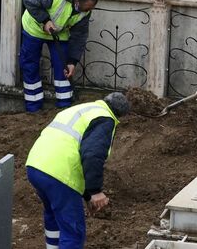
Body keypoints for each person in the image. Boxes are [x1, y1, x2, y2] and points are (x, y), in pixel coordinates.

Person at [26, 92, 130, 249]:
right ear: (119, 115)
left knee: (53, 215)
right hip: (59, 174)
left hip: (36, 166)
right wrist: (95, 191)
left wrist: (87, 196)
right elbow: (92, 155)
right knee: (73, 231)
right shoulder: (105, 119)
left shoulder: (84, 109)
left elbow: (72, 147)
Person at [20, 0, 99, 112]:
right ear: (77, 1)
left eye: (91, 8)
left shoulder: (85, 12)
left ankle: (64, 107)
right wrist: (45, 20)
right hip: (34, 29)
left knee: (63, 68)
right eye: (86, 8)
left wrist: (72, 61)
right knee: (30, 66)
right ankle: (33, 108)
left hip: (59, 34)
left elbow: (79, 37)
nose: (88, 11)